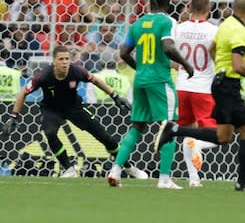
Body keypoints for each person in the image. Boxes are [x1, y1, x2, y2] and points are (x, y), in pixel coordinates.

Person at [154, 0, 245, 192]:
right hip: (212, 86)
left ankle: (192, 172)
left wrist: (215, 66)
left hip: (184, 84)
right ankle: (241, 181)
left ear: (189, 7)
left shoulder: (214, 26)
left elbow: (205, 50)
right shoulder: (226, 29)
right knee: (242, 132)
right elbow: (235, 64)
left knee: (222, 137)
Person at [0, 45, 148, 179]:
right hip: (51, 109)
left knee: (104, 136)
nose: (65, 62)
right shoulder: (43, 76)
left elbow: (95, 80)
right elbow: (23, 93)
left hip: (74, 107)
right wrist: (14, 116)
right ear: (54, 61)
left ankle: (129, 167)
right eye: (61, 59)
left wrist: (115, 96)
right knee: (50, 133)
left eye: (67, 59)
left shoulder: (77, 71)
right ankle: (69, 168)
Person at [107, 0, 194, 189]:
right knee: (169, 126)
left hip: (140, 81)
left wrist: (141, 68)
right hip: (160, 80)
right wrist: (186, 63)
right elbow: (168, 46)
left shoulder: (138, 23)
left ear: (150, 2)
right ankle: (164, 179)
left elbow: (123, 51)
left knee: (137, 126)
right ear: (169, 2)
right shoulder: (168, 21)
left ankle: (116, 170)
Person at [175, 0, 218, 188]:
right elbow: (218, 59)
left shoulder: (179, 28)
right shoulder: (213, 31)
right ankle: (199, 145)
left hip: (182, 86)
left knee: (188, 132)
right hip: (204, 87)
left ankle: (194, 179)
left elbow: (171, 57)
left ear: (189, 7)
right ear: (209, 9)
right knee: (217, 135)